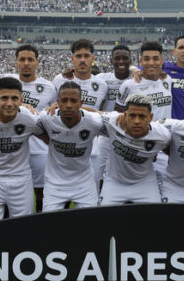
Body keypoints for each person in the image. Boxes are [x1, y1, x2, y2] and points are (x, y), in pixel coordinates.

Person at [0, 77, 43, 222]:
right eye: (4, 98)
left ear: (21, 100)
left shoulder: (30, 119)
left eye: (14, 98)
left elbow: (49, 138)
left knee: (22, 228)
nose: (9, 103)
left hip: (21, 180)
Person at [0, 45, 56, 212]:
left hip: (39, 148)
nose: (26, 63)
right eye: (22, 59)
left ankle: (39, 226)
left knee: (41, 193)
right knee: (8, 192)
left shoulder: (49, 87)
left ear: (37, 63)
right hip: (12, 146)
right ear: (16, 62)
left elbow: (54, 112)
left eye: (30, 59)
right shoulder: (5, 80)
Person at [36, 81, 104, 211]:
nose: (68, 105)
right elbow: (23, 117)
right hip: (54, 183)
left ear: (81, 103)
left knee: (91, 224)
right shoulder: (47, 118)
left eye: (73, 101)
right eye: (64, 100)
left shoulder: (94, 121)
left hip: (84, 183)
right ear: (57, 102)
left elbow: (116, 121)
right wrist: (25, 105)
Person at [115, 41, 173, 189]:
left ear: (161, 61)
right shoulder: (129, 85)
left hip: (163, 147)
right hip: (138, 147)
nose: (151, 63)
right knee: (136, 190)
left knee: (163, 192)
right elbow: (119, 114)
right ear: (141, 61)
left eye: (155, 58)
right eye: (146, 59)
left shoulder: (167, 80)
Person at [53, 39, 109, 190]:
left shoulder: (102, 84)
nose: (82, 60)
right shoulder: (59, 80)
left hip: (92, 145)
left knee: (92, 188)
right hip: (65, 143)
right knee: (61, 189)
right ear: (72, 59)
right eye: (78, 56)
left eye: (86, 56)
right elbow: (53, 109)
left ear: (93, 58)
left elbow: (102, 113)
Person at [99, 94, 171, 205]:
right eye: (132, 116)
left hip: (145, 184)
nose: (137, 121)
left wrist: (154, 153)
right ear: (125, 115)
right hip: (114, 182)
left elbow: (170, 149)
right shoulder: (113, 122)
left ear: (151, 118)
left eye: (142, 116)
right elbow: (89, 114)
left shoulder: (162, 135)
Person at [94, 45, 132, 187]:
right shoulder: (102, 78)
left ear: (130, 61)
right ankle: (100, 202)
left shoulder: (136, 79)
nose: (121, 61)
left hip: (128, 132)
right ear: (111, 61)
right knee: (100, 170)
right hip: (106, 131)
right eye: (117, 58)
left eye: (125, 58)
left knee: (125, 170)